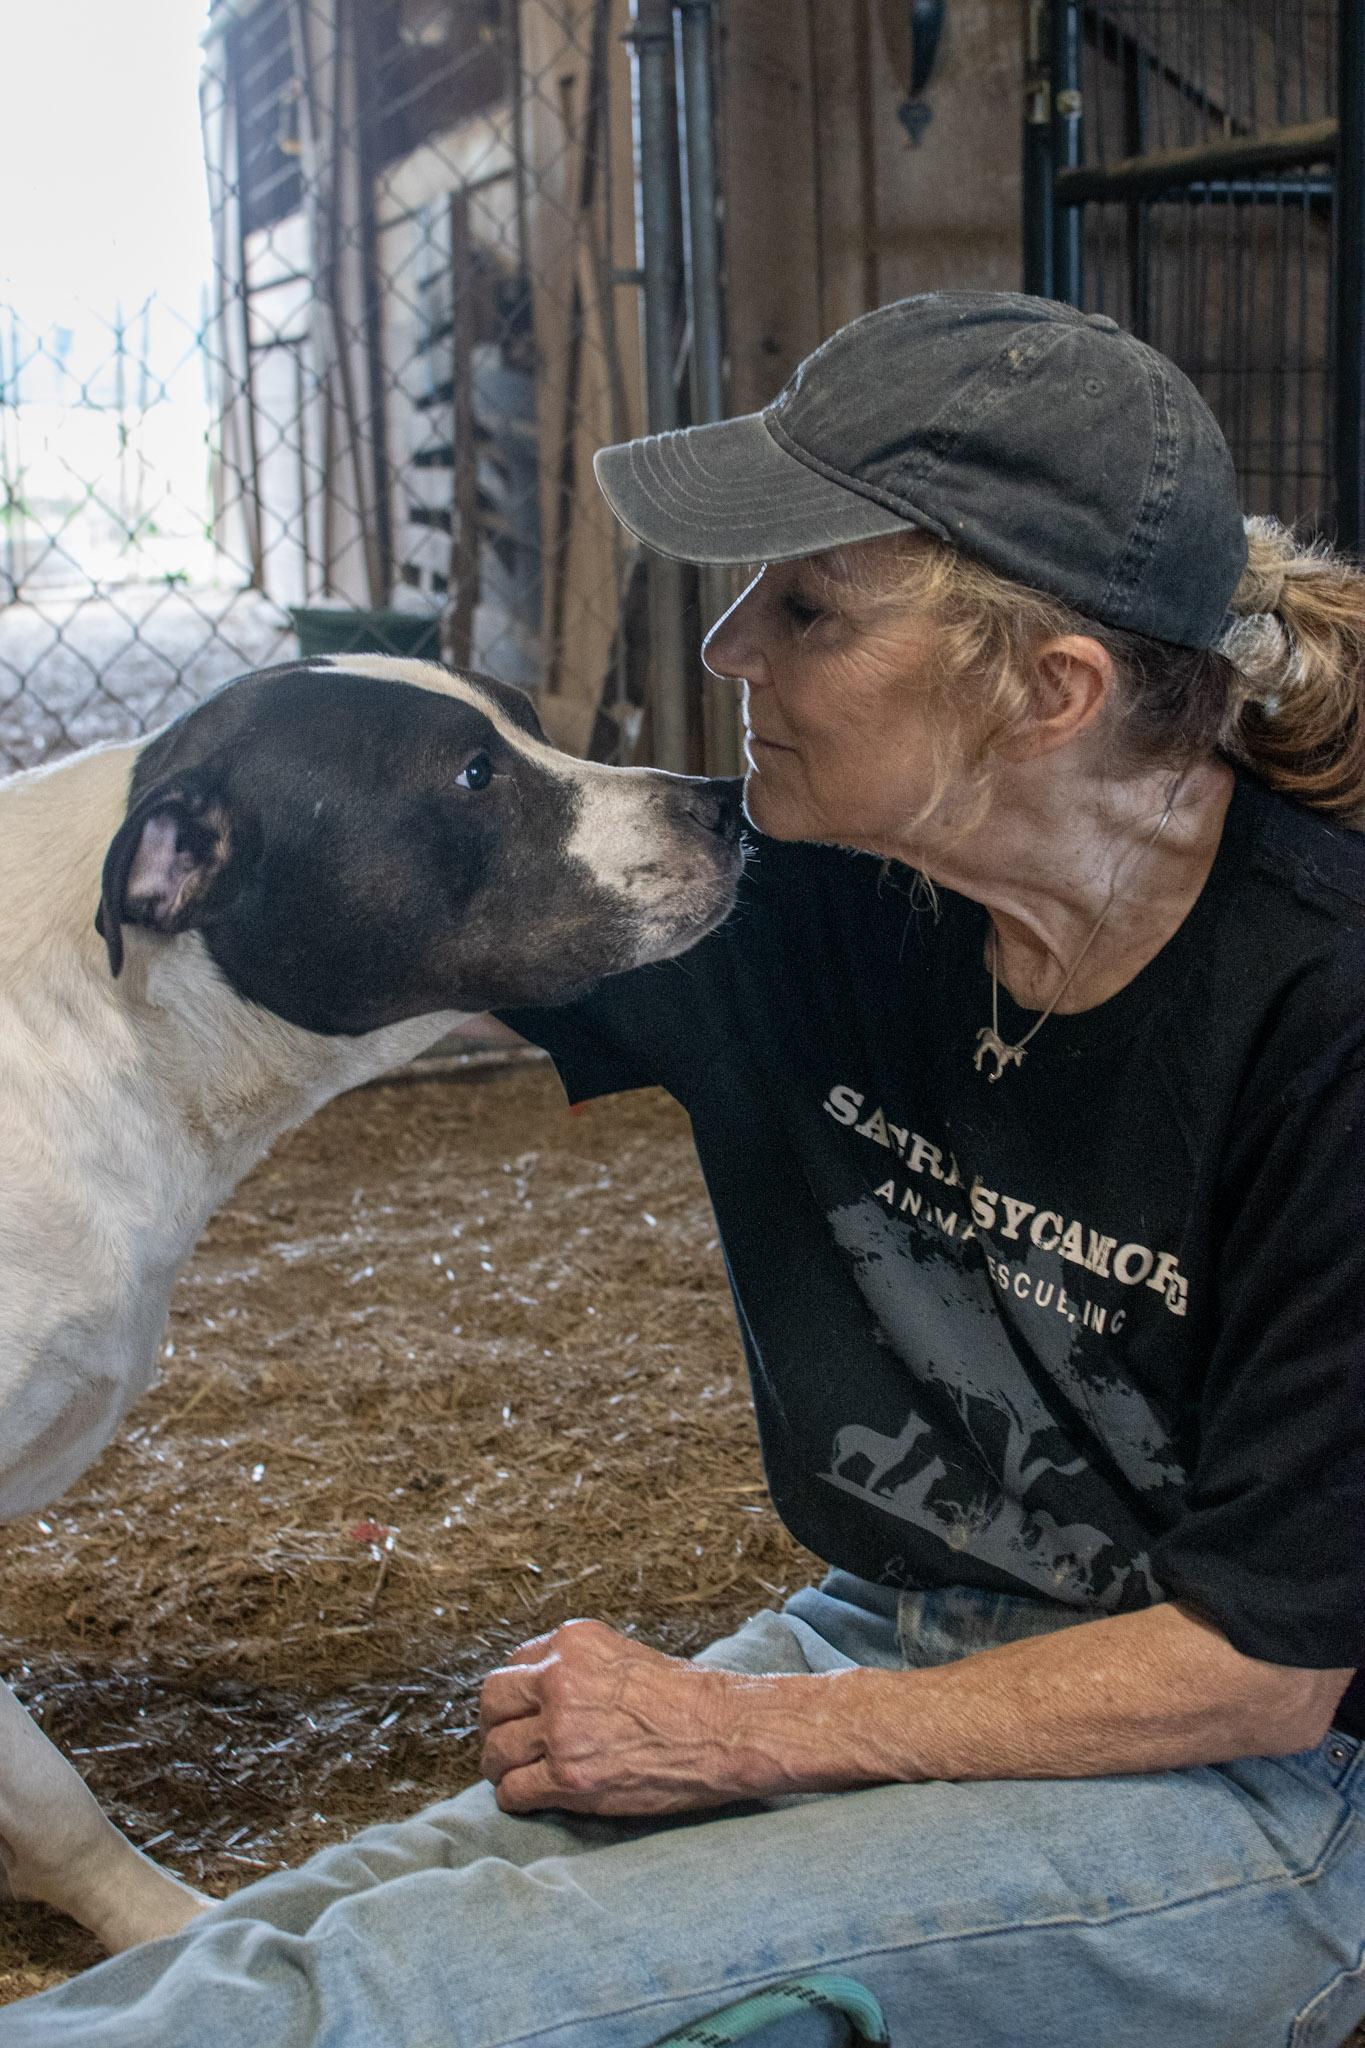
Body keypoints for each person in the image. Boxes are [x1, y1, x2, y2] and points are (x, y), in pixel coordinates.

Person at [4, 291, 1364, 2048]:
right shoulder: (799, 903)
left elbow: (1262, 1672)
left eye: (802, 606)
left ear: (1049, 691)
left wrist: (739, 1737)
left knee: (401, 1993)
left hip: (1263, 1796)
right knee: (332, 1912)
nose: (727, 648)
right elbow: (307, 902)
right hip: (902, 1626)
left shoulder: (1320, 1021)